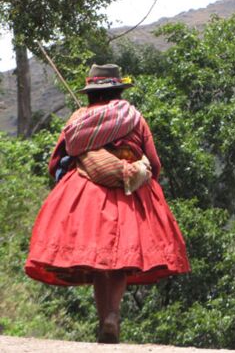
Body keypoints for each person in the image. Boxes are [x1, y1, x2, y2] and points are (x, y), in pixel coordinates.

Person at [25, 64, 190, 343]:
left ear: (91, 93)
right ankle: (113, 316)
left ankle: (105, 320)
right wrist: (140, 178)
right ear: (118, 91)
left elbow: (57, 161)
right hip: (129, 192)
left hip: (87, 192)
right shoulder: (134, 117)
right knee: (121, 261)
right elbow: (154, 160)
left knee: (100, 263)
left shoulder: (79, 118)